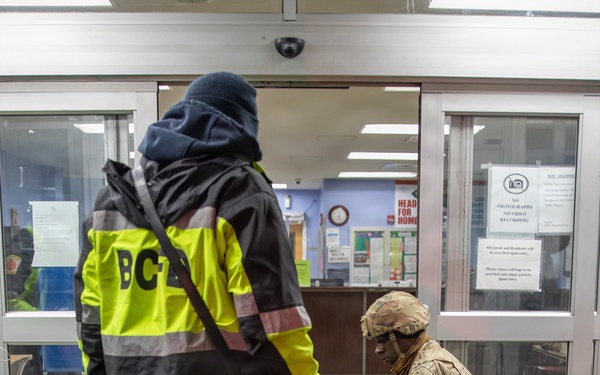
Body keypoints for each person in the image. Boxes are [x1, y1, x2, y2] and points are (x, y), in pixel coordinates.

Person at [74, 71, 319, 374]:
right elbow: (275, 325)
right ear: (244, 130)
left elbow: (90, 320)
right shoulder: (240, 193)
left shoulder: (108, 205)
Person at [361, 291, 471, 375]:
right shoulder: (429, 352)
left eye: (382, 341)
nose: (378, 350)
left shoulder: (425, 369)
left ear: (403, 334)